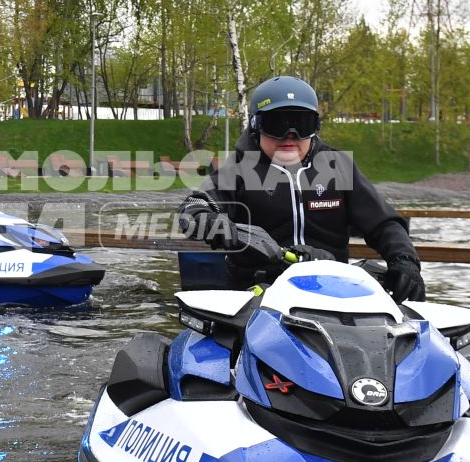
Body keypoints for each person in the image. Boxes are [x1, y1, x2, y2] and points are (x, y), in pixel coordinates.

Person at [178, 75, 427, 301]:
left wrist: (405, 261)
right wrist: (209, 220)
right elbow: (197, 203)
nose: (290, 136)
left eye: (301, 124)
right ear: (256, 125)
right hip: (256, 294)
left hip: (331, 291)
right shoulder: (238, 168)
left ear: (315, 128)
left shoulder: (337, 165)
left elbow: (384, 224)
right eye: (278, 125)